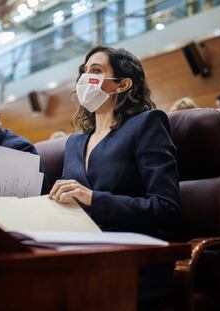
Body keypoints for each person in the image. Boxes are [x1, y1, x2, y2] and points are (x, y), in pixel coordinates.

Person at [48, 46, 181, 310]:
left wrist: (93, 198)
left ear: (122, 84)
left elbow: (166, 208)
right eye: (83, 72)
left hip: (131, 261)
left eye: (95, 71)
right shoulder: (74, 143)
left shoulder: (146, 124)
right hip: (80, 255)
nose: (85, 78)